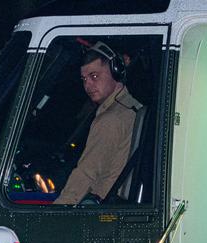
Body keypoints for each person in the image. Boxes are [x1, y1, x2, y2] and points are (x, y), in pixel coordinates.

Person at [54, 42, 143, 205]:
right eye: (84, 79)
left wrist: (55, 213)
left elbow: (86, 174)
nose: (87, 85)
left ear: (116, 72)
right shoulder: (134, 107)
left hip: (101, 206)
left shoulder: (111, 118)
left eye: (94, 76)